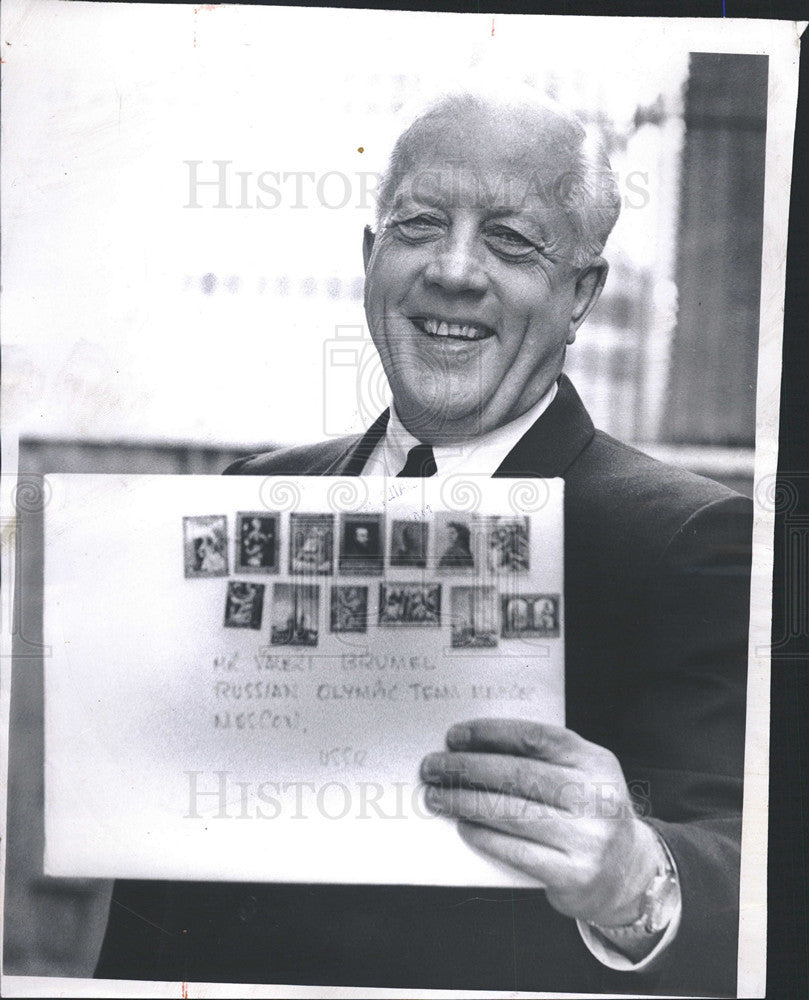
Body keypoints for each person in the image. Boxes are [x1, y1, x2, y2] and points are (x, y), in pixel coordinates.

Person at [97, 87, 751, 996]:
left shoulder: (687, 540)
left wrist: (635, 877)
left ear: (581, 295)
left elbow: (752, 875)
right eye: (418, 226)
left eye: (510, 242)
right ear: (370, 258)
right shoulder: (251, 500)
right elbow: (160, 893)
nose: (453, 270)